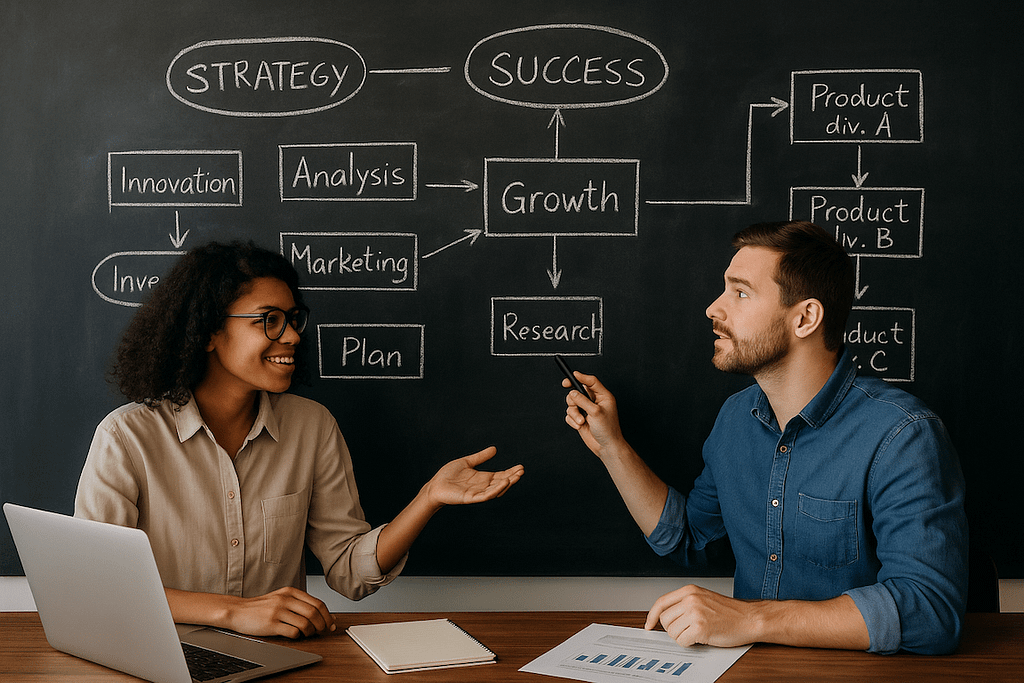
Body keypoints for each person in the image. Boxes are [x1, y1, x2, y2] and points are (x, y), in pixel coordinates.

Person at [76, 241, 524, 639]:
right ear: (210, 332)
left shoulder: (312, 427)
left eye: (292, 319)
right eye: (268, 321)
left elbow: (350, 570)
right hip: (158, 655)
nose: (291, 335)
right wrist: (234, 612)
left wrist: (429, 498)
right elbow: (97, 587)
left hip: (276, 661)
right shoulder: (126, 438)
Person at [562, 221, 967, 655]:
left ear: (806, 317)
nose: (713, 309)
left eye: (740, 293)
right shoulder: (736, 418)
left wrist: (752, 619)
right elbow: (691, 539)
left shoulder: (902, 435)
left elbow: (930, 612)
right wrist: (612, 447)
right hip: (751, 670)